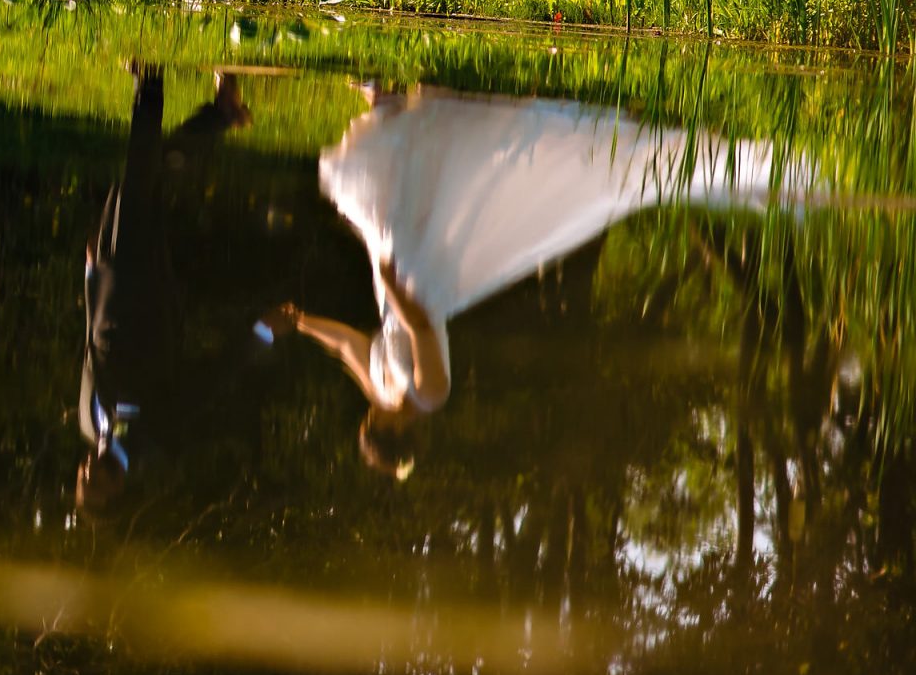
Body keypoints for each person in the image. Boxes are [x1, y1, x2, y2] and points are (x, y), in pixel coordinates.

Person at [263, 83, 793, 475]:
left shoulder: (380, 390)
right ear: (398, 432)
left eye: (371, 423)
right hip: (421, 281)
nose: (375, 418)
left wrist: (303, 322)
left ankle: (389, 103)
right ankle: (406, 106)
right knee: (415, 200)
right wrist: (394, 285)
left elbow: (350, 348)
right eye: (378, 427)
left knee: (392, 199)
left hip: (399, 281)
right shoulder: (430, 395)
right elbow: (423, 330)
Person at [76, 65, 250, 513]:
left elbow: (90, 350)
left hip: (111, 278)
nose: (87, 474)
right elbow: (209, 382)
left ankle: (222, 115)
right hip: (148, 287)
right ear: (117, 491)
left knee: (143, 181)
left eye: (82, 482)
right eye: (95, 485)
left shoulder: (86, 424)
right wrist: (260, 335)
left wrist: (91, 280)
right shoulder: (158, 439)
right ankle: (150, 82)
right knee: (138, 181)